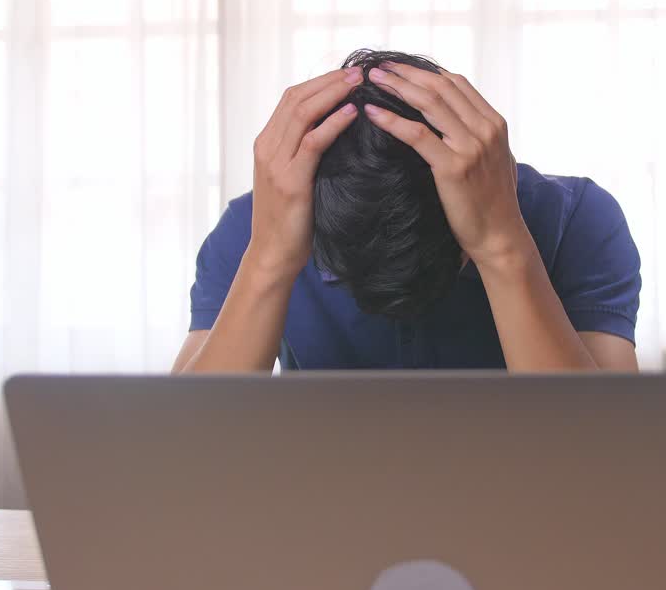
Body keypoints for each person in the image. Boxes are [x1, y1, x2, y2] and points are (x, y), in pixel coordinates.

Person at [172, 50, 641, 372]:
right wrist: (270, 257)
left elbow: (605, 446)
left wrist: (500, 245)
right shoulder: (259, 226)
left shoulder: (579, 219)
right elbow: (183, 445)